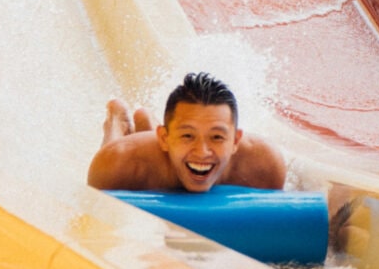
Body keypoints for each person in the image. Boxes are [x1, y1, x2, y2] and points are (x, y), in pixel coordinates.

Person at [87, 72, 287, 193]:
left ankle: (147, 121)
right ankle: (117, 120)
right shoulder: (118, 163)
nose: (202, 152)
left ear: (235, 140)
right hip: (127, 152)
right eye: (188, 136)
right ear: (164, 138)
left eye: (217, 137)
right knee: (110, 153)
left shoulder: (265, 166)